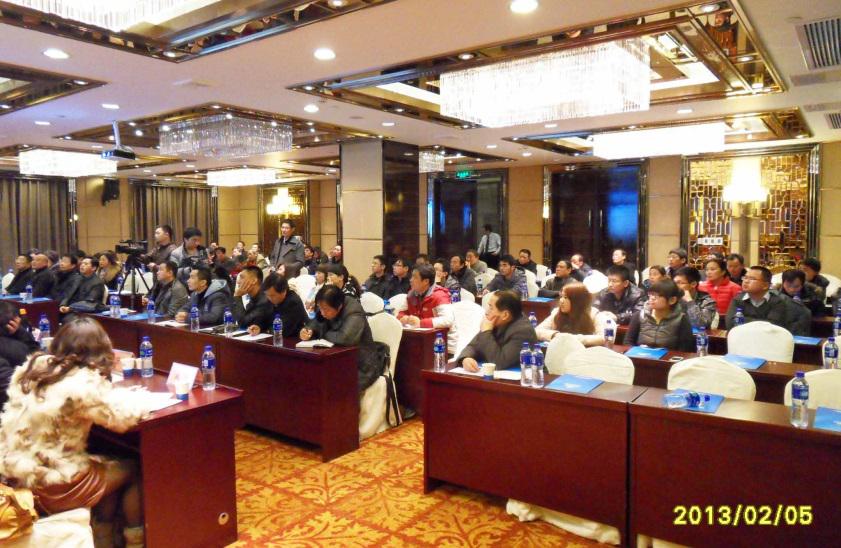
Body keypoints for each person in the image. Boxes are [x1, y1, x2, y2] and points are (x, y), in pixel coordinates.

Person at [0, 317, 149, 547]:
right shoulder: (82, 383)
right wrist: (139, 398)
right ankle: (135, 543)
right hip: (52, 485)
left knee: (106, 468)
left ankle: (103, 540)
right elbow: (123, 418)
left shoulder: (32, 369)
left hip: (16, 475)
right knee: (133, 469)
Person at [301, 285, 383, 392]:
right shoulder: (325, 305)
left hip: (361, 366)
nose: (322, 313)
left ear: (339, 306)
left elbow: (346, 338)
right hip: (338, 360)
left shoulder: (353, 310)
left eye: (325, 310)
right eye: (320, 308)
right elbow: (316, 321)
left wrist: (322, 333)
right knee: (312, 377)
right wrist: (308, 330)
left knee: (336, 388)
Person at [455, 290, 537, 372]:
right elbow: (474, 345)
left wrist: (486, 332)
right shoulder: (498, 321)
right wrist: (466, 358)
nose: (486, 312)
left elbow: (499, 363)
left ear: (505, 315)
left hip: (519, 377)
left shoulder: (523, 331)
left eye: (491, 308)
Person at [725, 266, 809, 335]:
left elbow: (771, 327)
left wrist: (742, 320)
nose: (746, 281)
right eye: (745, 277)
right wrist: (762, 322)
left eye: (752, 279)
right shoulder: (738, 299)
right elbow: (730, 324)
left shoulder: (778, 301)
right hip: (743, 340)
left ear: (765, 285)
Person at [625, 279, 696, 352]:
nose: (652, 298)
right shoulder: (639, 315)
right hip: (640, 356)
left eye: (656, 295)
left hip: (669, 358)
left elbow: (685, 349)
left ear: (672, 300)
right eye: (651, 294)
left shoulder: (681, 319)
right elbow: (628, 341)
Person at [398, 264, 457, 350]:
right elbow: (401, 313)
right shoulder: (411, 294)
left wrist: (420, 323)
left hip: (443, 345)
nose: (410, 280)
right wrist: (404, 318)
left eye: (415, 277)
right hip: (420, 341)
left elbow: (448, 320)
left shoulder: (440, 295)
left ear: (426, 281)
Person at [535, 282, 605, 346]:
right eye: (561, 297)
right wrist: (555, 335)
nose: (561, 301)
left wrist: (570, 338)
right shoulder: (556, 312)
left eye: (565, 297)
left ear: (577, 301)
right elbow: (537, 331)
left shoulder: (594, 314)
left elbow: (603, 338)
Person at [0, 301, 39, 410]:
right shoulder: (19, 349)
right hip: (16, 406)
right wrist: (20, 332)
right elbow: (36, 357)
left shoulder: (17, 347)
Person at [246, 272, 308, 337]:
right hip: (274, 338)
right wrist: (258, 326)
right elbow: (262, 317)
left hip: (294, 339)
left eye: (272, 295)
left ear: (284, 291)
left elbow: (283, 330)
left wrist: (265, 330)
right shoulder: (268, 299)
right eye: (267, 295)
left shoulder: (293, 302)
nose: (269, 298)